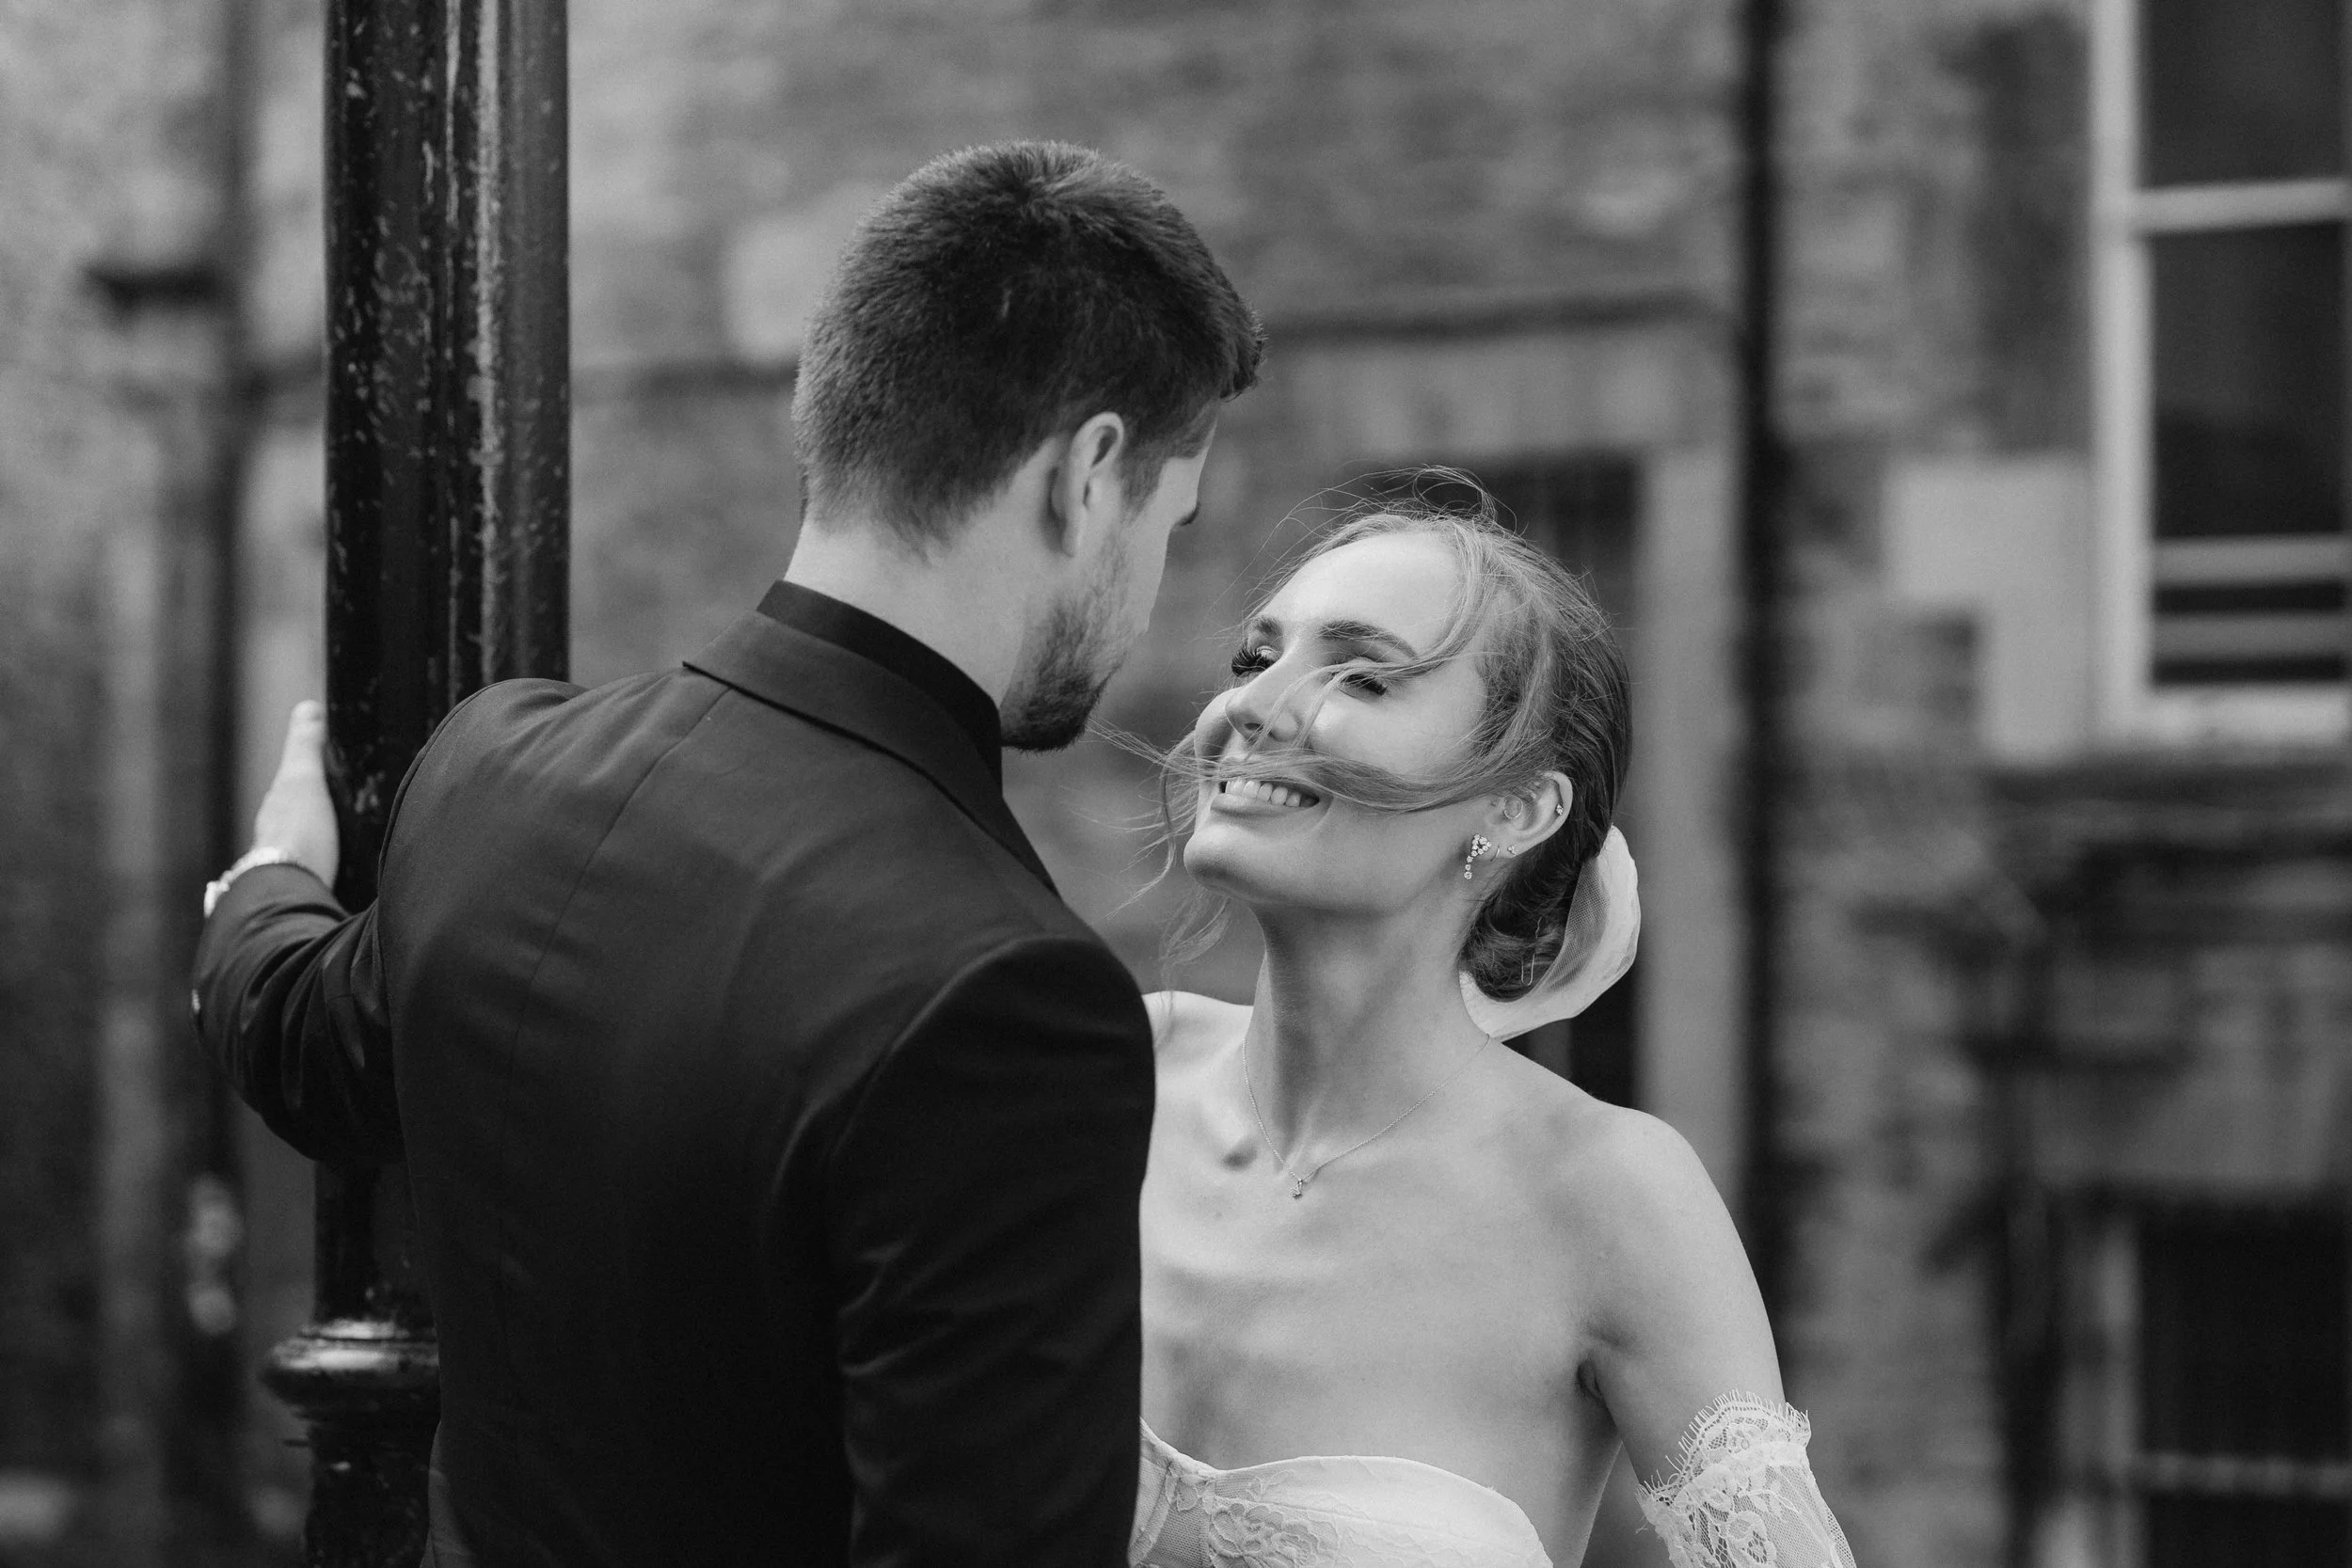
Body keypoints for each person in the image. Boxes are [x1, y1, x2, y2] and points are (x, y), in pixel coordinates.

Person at [193, 141, 1263, 1567]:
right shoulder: (1007, 996)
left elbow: (294, 1030)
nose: (1148, 600)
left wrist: (266, 874)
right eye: (1170, 530)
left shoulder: (494, 774)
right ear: (1089, 473)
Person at [1126, 485, 1858, 1568]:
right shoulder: (1112, 1077)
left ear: (1516, 809)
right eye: (1253, 658)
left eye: (1359, 674)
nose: (1253, 707)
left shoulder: (1608, 1195)